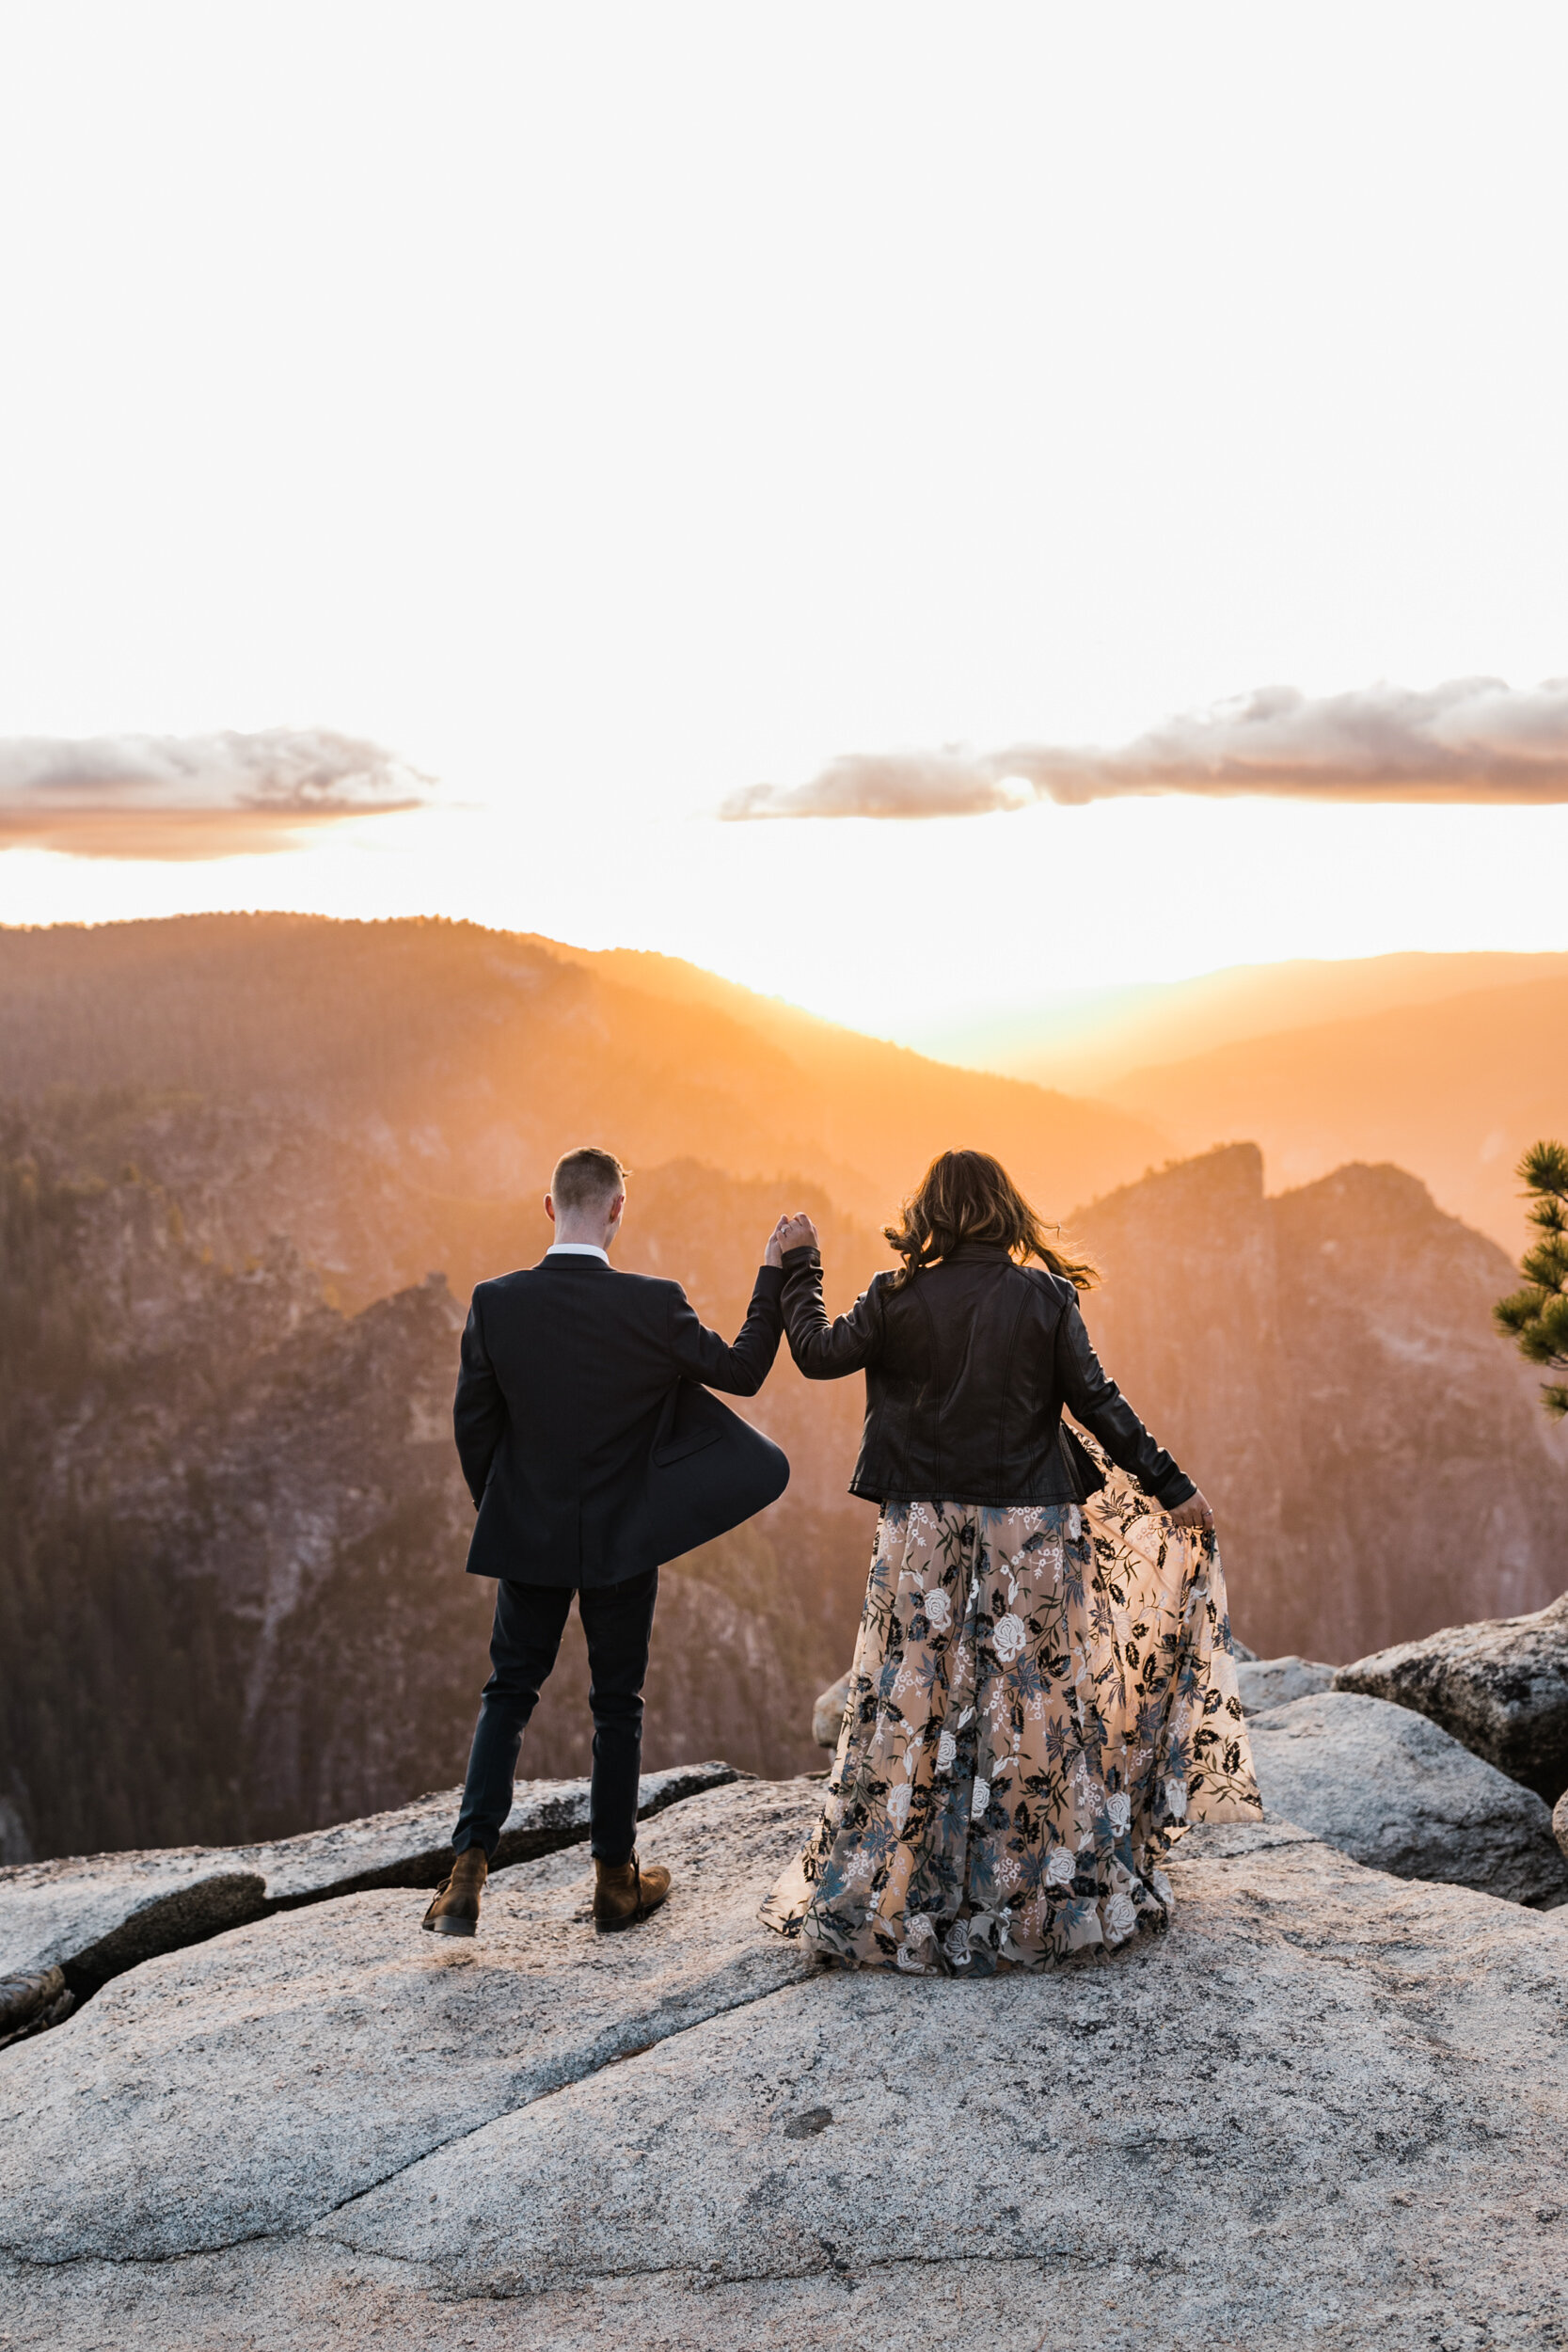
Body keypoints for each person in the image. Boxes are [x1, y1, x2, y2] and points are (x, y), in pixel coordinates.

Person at [760, 1147, 1257, 1974]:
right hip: (1029, 1529)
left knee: (918, 1704)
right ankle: (1039, 1900)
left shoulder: (894, 1296)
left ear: (929, 1215)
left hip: (922, 1531)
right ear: (1004, 1209)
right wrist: (1172, 1487)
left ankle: (904, 1900)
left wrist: (800, 1266)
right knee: (1034, 1711)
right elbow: (1099, 1402)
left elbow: (813, 1351)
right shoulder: (1042, 1297)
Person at [422, 1146, 790, 1939]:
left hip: (530, 1533)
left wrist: (506, 1510)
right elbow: (745, 1371)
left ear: (548, 1208)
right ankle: (615, 1882)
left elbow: (472, 1425)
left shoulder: (496, 1302)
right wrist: (775, 1274)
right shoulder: (652, 1304)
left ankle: (465, 1875)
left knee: (508, 1693)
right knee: (615, 1704)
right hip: (626, 1539)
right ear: (618, 1210)